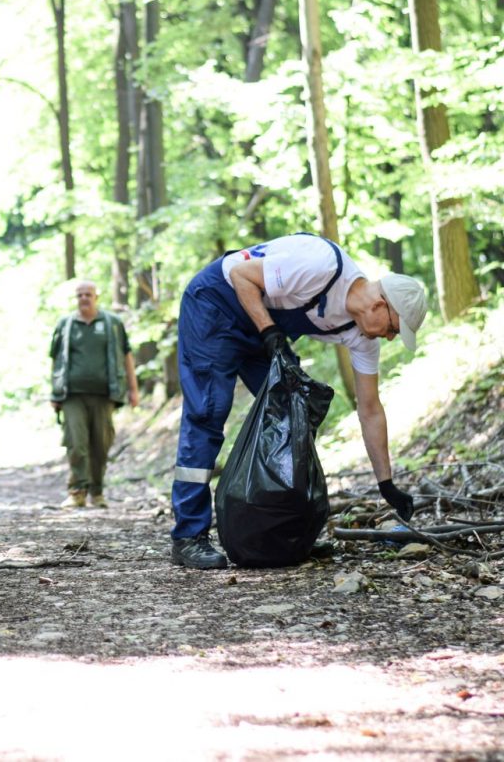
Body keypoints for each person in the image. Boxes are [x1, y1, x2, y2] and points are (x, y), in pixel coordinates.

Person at [170, 233, 428, 569]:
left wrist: (386, 483)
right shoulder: (320, 265)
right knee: (208, 411)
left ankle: (285, 530)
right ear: (380, 305)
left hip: (262, 325)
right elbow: (240, 275)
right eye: (394, 329)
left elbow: (370, 409)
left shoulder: (362, 336)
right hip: (216, 304)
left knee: (295, 411)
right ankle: (188, 535)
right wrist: (268, 332)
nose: (390, 337)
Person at [49, 280, 140, 508]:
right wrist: (54, 391)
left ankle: (97, 492)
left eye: (88, 294)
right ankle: (77, 491)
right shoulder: (66, 324)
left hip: (105, 395)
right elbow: (56, 360)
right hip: (72, 395)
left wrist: (133, 389)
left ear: (96, 297)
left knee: (101, 444)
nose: (84, 298)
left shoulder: (113, 323)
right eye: (80, 295)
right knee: (77, 444)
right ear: (76, 298)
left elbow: (127, 356)